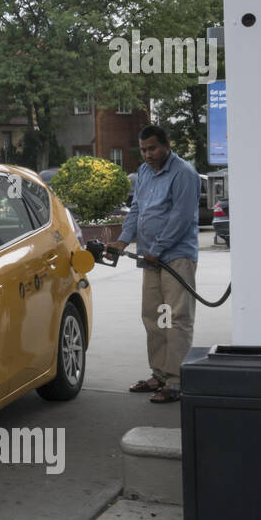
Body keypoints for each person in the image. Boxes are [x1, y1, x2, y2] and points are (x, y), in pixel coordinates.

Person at [108, 125, 200, 403]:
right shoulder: (145, 172)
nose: (148, 154)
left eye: (153, 148)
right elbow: (137, 208)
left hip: (176, 257)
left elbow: (181, 217)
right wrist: (123, 240)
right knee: (154, 316)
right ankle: (159, 374)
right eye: (144, 150)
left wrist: (158, 248)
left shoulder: (184, 173)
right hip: (150, 257)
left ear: (167, 145)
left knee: (176, 318)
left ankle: (176, 381)